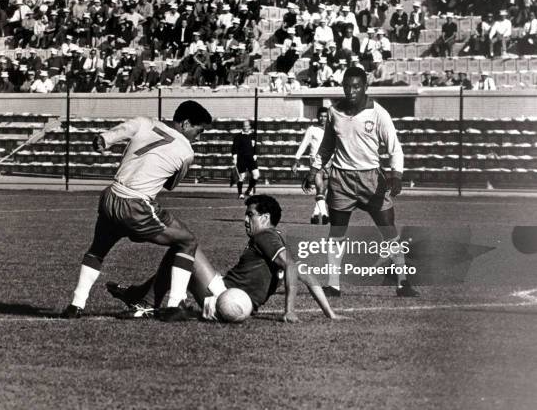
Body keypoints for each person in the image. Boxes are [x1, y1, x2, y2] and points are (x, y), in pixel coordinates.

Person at [62, 100, 213, 321]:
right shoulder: (186, 152)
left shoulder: (145, 122)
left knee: (97, 250)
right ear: (186, 123)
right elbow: (170, 185)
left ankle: (76, 305)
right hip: (136, 205)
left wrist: (104, 140)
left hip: (111, 197)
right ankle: (175, 305)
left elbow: (115, 134)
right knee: (187, 241)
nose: (198, 137)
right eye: (198, 132)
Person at [106, 195, 341, 323]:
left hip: (222, 295)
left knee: (184, 246)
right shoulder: (279, 240)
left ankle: (144, 300)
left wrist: (289, 310)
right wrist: (329, 313)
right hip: (235, 305)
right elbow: (308, 277)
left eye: (250, 215)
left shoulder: (266, 236)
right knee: (182, 259)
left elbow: (289, 266)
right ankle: (140, 296)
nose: (245, 220)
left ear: (266, 218)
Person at [304, 67, 419, 298]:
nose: (351, 91)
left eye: (356, 86)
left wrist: (396, 175)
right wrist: (314, 169)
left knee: (389, 231)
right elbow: (327, 145)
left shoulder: (379, 114)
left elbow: (395, 148)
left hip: (372, 180)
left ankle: (403, 283)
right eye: (347, 86)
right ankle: (333, 285)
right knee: (336, 233)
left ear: (366, 87)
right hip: (341, 180)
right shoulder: (335, 111)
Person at [292, 107, 329, 225]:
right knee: (320, 188)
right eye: (321, 116)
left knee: (324, 190)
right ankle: (324, 214)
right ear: (317, 116)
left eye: (325, 116)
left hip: (329, 162)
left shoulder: (331, 129)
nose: (323, 118)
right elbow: (304, 144)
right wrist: (296, 159)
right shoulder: (312, 129)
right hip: (315, 161)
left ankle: (314, 214)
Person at [232, 120, 260, 199]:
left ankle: (249, 190)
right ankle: (240, 194)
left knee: (256, 175)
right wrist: (235, 158)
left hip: (251, 159)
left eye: (247, 126)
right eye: (244, 126)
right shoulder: (238, 136)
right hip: (242, 159)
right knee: (242, 176)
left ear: (250, 126)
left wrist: (255, 154)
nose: (246, 127)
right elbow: (234, 148)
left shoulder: (253, 136)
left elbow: (254, 146)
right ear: (242, 126)